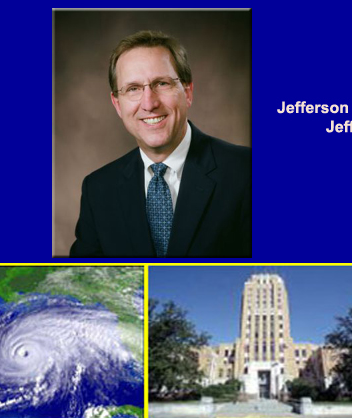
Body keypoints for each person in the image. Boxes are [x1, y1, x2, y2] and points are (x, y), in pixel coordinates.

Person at [70, 30, 251, 257]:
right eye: (133, 88)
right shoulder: (98, 190)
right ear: (117, 104)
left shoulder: (246, 172)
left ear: (187, 92)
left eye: (162, 83)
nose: (149, 103)